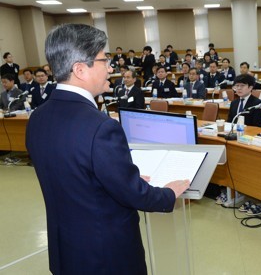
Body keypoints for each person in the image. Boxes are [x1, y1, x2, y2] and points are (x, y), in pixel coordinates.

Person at [25, 24, 190, 275]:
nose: (111, 68)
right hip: (107, 255)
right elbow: (134, 195)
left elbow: (75, 177)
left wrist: (122, 179)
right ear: (80, 69)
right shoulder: (101, 127)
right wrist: (167, 193)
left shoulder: (38, 118)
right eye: (104, 60)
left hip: (66, 249)